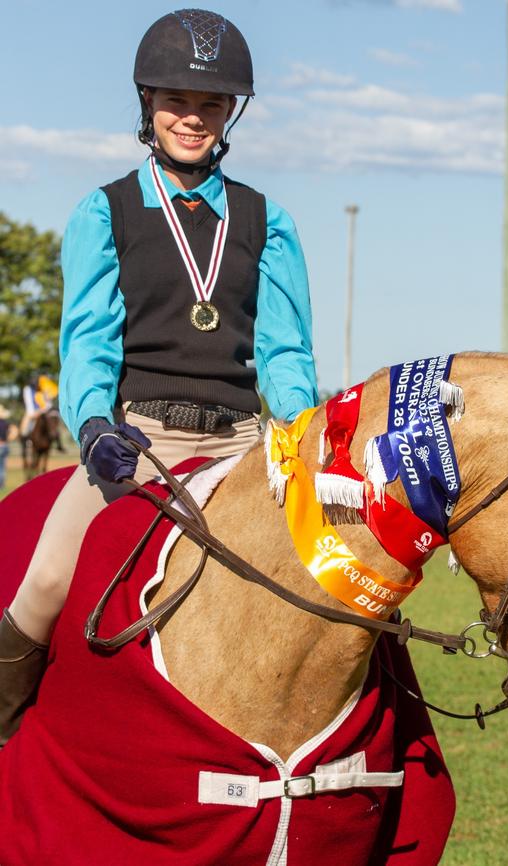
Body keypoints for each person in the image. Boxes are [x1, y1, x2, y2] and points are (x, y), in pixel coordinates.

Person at [0, 9, 319, 745]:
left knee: (333, 572)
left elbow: (285, 351)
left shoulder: (268, 222)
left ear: (230, 112)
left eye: (212, 104)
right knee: (46, 583)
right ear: (148, 102)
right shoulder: (102, 213)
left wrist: (298, 431)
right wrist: (92, 425)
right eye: (178, 100)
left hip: (242, 441)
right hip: (141, 435)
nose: (194, 117)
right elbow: (87, 340)